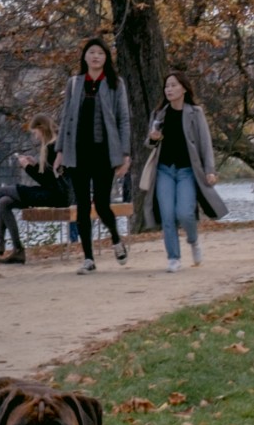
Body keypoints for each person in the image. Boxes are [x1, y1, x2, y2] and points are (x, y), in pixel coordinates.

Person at [55, 38, 132, 273]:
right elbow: (66, 116)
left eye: (100, 52)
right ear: (85, 57)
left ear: (106, 58)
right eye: (91, 52)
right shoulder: (75, 83)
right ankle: (88, 258)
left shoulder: (114, 84)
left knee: (101, 203)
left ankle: (116, 238)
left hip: (103, 153)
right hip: (77, 152)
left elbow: (123, 120)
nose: (96, 56)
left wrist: (125, 154)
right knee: (81, 205)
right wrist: (59, 151)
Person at [141, 71, 228, 272]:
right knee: (167, 214)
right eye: (167, 86)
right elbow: (149, 143)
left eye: (173, 85)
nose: (169, 89)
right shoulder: (159, 114)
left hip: (187, 171)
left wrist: (210, 170)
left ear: (184, 88)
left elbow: (205, 144)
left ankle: (193, 240)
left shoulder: (195, 113)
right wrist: (153, 137)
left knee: (185, 213)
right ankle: (173, 257)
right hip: (164, 171)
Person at [0, 113, 69, 264]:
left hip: (57, 196)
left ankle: (0, 241)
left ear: (41, 129)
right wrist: (35, 164)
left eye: (35, 132)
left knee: (3, 191)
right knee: (4, 202)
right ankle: (18, 251)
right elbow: (52, 176)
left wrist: (27, 168)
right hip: (57, 193)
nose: (35, 136)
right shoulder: (54, 145)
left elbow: (50, 181)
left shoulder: (53, 146)